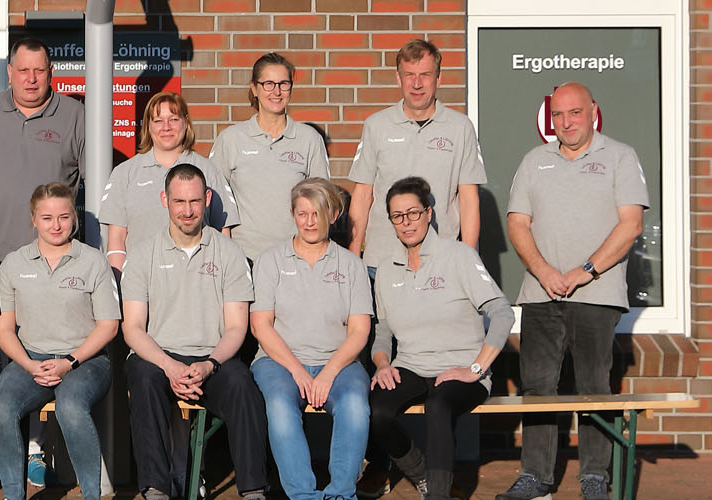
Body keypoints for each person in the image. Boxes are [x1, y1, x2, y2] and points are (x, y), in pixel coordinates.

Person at [497, 83, 649, 500]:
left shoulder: (620, 156)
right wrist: (545, 271)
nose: (566, 122)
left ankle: (594, 477)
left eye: (575, 113)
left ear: (593, 112)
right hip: (541, 292)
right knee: (538, 387)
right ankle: (536, 477)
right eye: (559, 115)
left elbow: (631, 224)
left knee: (594, 387)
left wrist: (584, 271)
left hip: (596, 295)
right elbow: (517, 224)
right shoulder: (533, 161)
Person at [119, 164, 267, 500]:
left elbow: (236, 327)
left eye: (195, 201)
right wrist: (169, 366)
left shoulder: (229, 253)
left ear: (208, 199)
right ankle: (156, 489)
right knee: (143, 380)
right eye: (179, 201)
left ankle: (254, 489)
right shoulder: (142, 254)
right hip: (158, 357)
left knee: (243, 384)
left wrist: (209, 364)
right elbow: (132, 328)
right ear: (164, 200)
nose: (187, 211)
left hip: (212, 356)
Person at [369, 176, 513, 500]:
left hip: (461, 368)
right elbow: (383, 331)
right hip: (411, 365)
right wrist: (381, 364)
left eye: (414, 213)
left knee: (439, 404)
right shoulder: (387, 269)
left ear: (429, 213)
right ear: (390, 220)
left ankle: (437, 495)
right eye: (397, 216)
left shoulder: (458, 255)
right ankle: (422, 475)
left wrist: (476, 369)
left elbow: (503, 313)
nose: (406, 223)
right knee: (377, 411)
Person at [0, 182, 119, 500]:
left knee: (71, 406)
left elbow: (109, 325)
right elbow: (4, 328)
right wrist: (29, 364)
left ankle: (91, 494)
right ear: (33, 219)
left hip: (86, 360)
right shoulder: (14, 265)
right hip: (32, 358)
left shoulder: (93, 261)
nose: (56, 225)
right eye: (46, 218)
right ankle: (14, 495)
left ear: (74, 218)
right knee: (1, 405)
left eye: (63, 216)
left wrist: (70, 361)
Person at [248, 178, 371, 500]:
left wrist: (329, 371)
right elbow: (261, 325)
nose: (310, 222)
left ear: (334, 214)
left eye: (317, 213)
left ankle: (341, 494)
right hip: (279, 363)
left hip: (339, 362)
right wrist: (298, 370)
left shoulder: (352, 266)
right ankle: (303, 495)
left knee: (355, 405)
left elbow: (359, 330)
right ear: (293, 215)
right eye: (302, 214)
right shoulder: (270, 261)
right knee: (279, 404)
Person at [348, 39, 486, 269]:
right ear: (398, 77)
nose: (417, 83)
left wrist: (469, 261)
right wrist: (353, 258)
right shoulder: (376, 126)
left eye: (425, 74)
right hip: (381, 262)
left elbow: (469, 199)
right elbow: (362, 194)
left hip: (441, 262)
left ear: (439, 78)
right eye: (410, 75)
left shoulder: (460, 128)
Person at [0, 38, 85, 266]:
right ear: (9, 72)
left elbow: (99, 188)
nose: (31, 79)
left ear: (51, 72)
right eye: (23, 70)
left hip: (55, 261)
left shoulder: (76, 116)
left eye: (39, 70)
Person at [100, 92, 239, 273]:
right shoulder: (125, 173)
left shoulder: (208, 171)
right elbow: (116, 239)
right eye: (158, 121)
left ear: (185, 122)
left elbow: (223, 234)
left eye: (173, 119)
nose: (166, 127)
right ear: (148, 126)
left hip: (196, 280)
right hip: (141, 282)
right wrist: (120, 283)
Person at [213, 53, 330, 257]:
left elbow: (322, 203)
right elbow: (214, 200)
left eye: (283, 84)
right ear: (254, 88)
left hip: (295, 257)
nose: (276, 91)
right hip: (245, 258)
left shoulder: (309, 139)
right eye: (268, 84)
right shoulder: (231, 139)